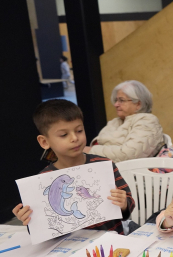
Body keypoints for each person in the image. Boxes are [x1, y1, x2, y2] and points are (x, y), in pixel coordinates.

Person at [12, 100, 134, 234]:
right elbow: (45, 229)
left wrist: (124, 204)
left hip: (111, 242)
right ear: (44, 141)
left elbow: (128, 205)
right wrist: (29, 220)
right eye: (64, 135)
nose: (75, 138)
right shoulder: (43, 179)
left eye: (79, 130)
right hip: (68, 245)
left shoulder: (104, 165)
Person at [86, 81, 164, 162]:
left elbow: (128, 154)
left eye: (121, 100)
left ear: (138, 104)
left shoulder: (147, 121)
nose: (116, 104)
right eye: (116, 100)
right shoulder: (115, 121)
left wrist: (90, 151)